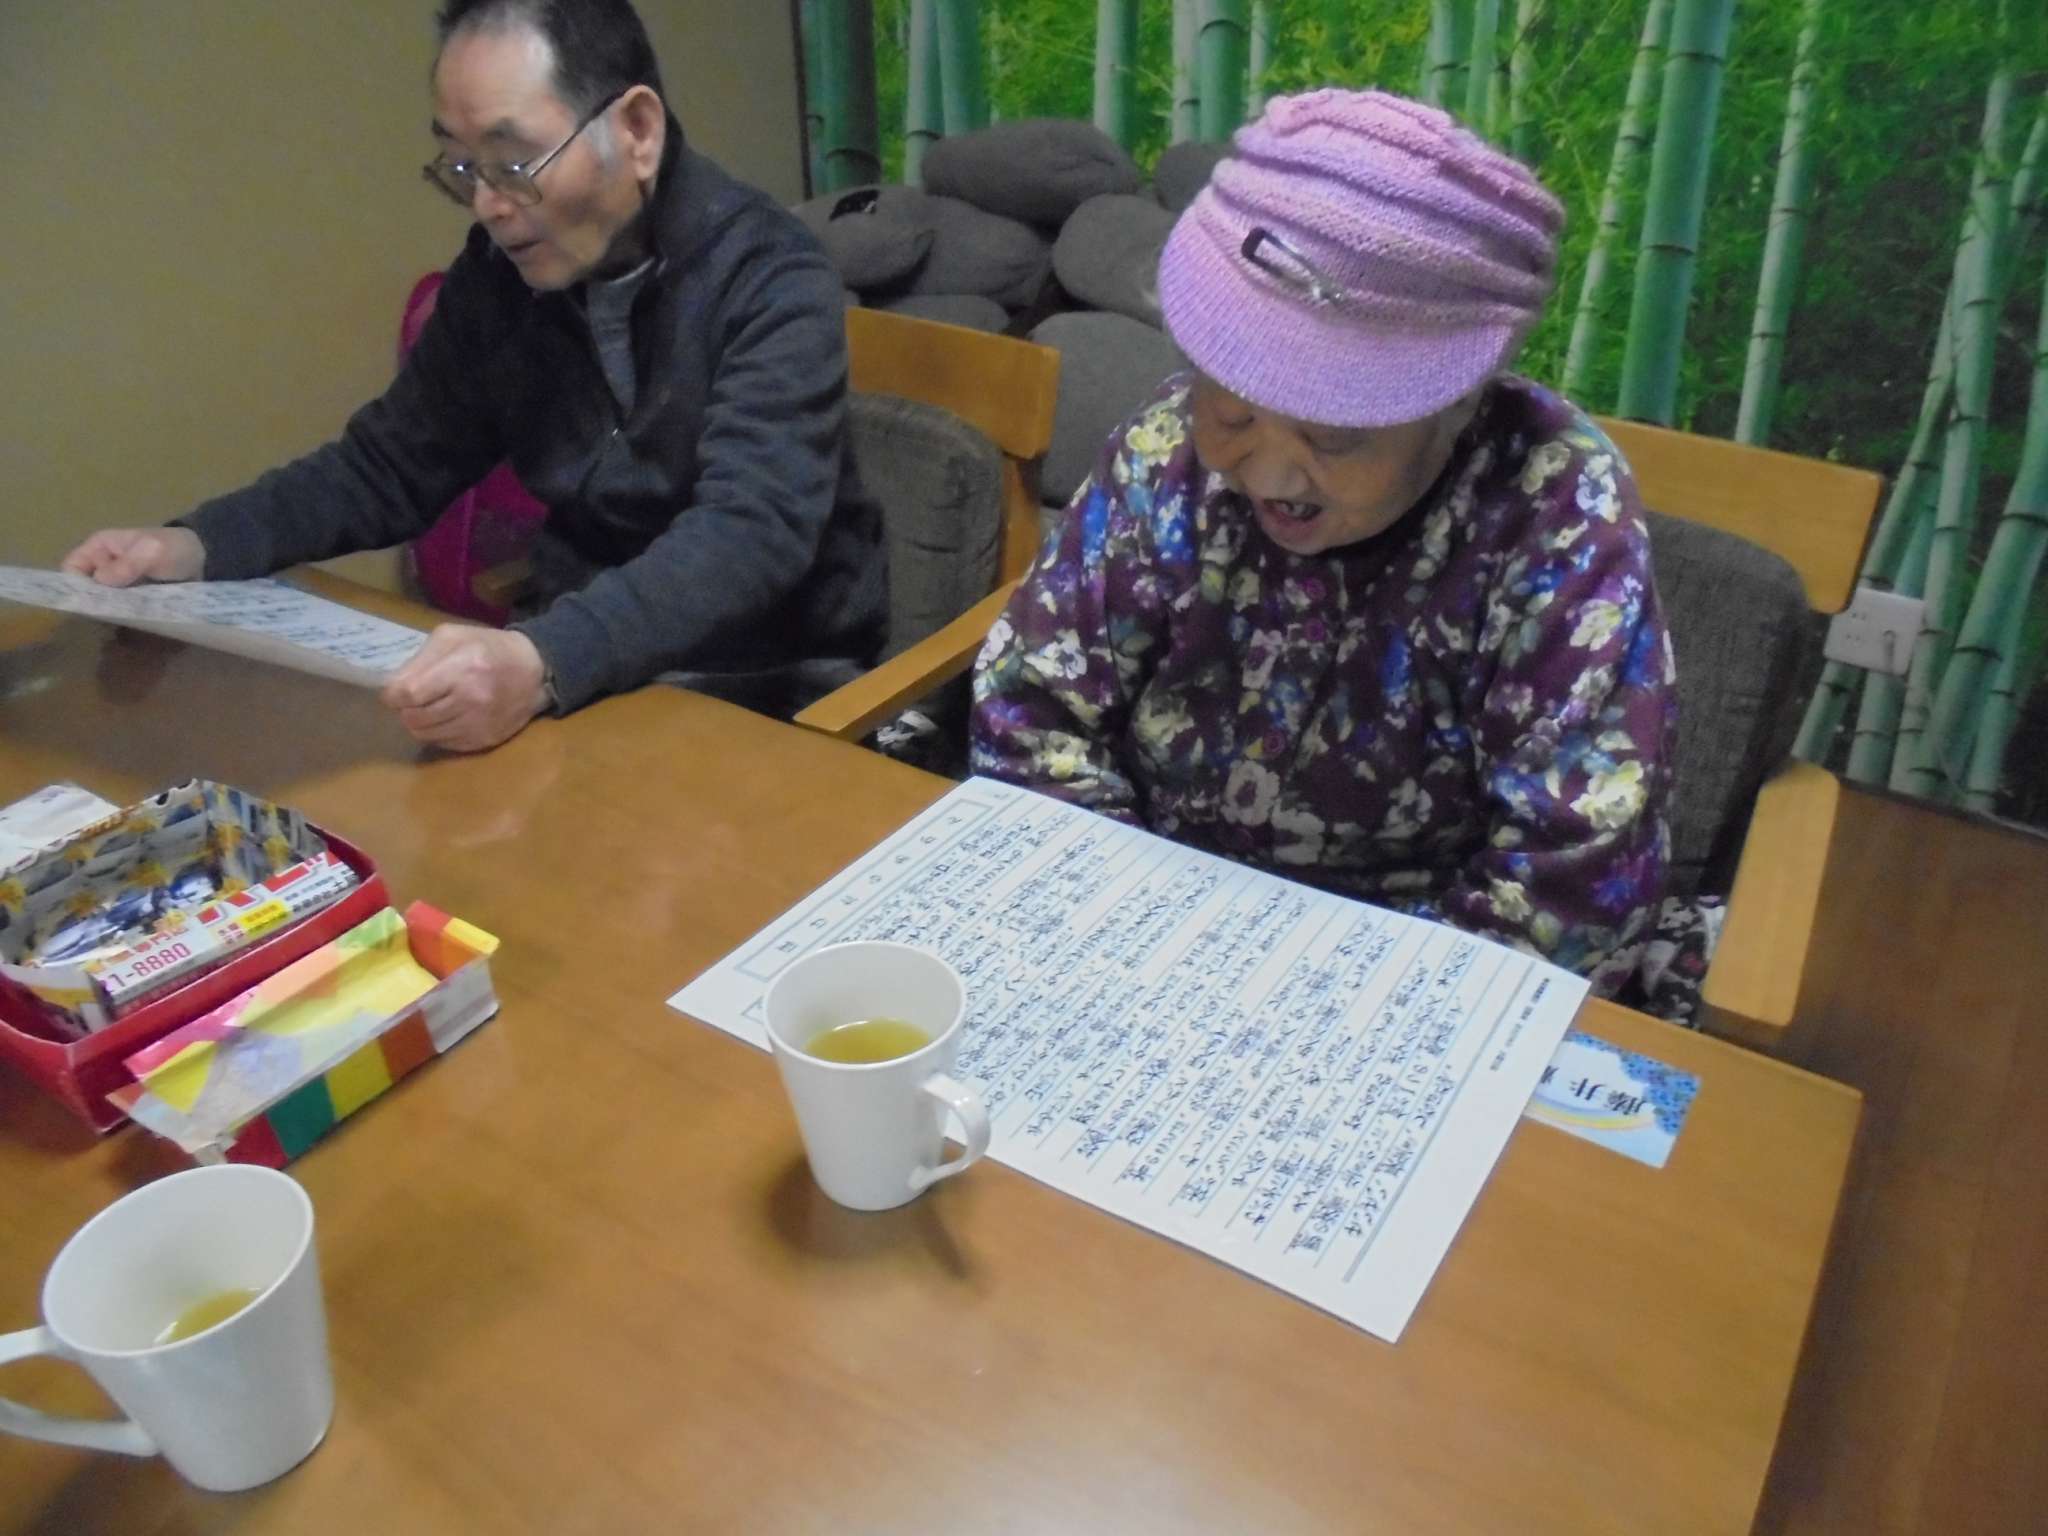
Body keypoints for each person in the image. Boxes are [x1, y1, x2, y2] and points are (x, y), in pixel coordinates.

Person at [970, 89, 1675, 995]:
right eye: (1231, 411)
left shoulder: (1559, 514)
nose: (1267, 473)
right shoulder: (1165, 449)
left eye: (1334, 439)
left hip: (1402, 970)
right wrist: (1141, 937)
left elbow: (1574, 889)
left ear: (1456, 405)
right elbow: (1031, 713)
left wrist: (1324, 1002)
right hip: (1141, 918)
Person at [64, 0, 884, 752]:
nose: (489, 205)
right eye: (463, 168)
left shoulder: (770, 273)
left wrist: (542, 658)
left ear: (636, 130)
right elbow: (389, 463)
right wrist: (199, 543)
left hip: (760, 683)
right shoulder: (500, 279)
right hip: (580, 673)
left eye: (513, 163)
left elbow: (751, 532)